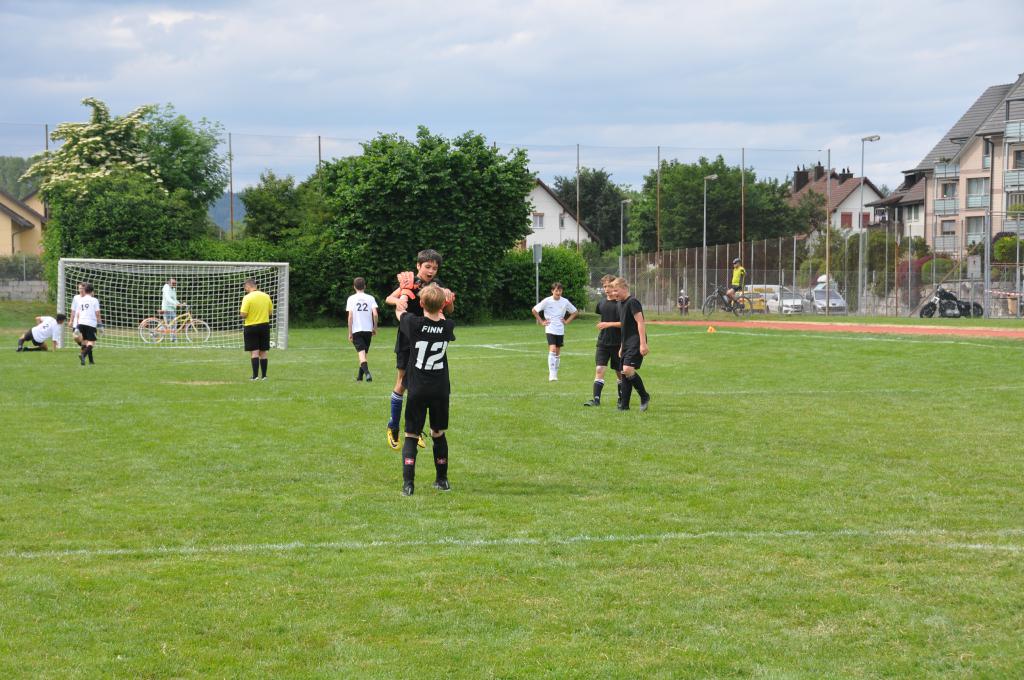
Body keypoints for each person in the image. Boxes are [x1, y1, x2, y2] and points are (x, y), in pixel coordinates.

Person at [384, 249, 454, 450]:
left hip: (426, 339)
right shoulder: (410, 282)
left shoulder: (437, 285)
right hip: (407, 339)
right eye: (427, 267)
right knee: (402, 382)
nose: (431, 271)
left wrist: (449, 300)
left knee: (421, 386)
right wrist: (399, 300)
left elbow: (448, 311)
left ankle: (415, 430)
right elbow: (389, 298)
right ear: (418, 266)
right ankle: (393, 426)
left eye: (435, 268)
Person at [395, 284, 456, 496]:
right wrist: (447, 300)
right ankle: (442, 480)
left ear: (421, 303)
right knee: (438, 433)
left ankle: (408, 485)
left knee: (411, 434)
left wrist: (404, 292)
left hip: (417, 388)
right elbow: (445, 315)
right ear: (442, 305)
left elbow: (399, 311)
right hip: (440, 388)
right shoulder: (448, 326)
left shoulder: (414, 323)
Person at [612, 277, 650, 411]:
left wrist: (643, 343)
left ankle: (644, 396)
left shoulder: (633, 302)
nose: (614, 294)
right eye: (613, 291)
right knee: (624, 373)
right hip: (626, 342)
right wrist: (622, 346)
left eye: (616, 290)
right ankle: (624, 406)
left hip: (636, 341)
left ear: (624, 288)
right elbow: (624, 326)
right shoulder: (619, 304)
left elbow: (640, 322)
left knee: (628, 369)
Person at [584, 275, 622, 407]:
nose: (606, 289)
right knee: (599, 369)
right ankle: (596, 400)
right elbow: (603, 317)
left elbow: (625, 323)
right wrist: (604, 324)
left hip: (618, 344)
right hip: (603, 342)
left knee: (620, 372)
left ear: (615, 286)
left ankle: (621, 398)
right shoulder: (601, 304)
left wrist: (608, 324)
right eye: (604, 286)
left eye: (609, 286)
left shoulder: (621, 304)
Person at [531, 281, 578, 381]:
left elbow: (575, 312)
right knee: (552, 350)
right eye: (556, 290)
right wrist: (541, 322)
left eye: (560, 290)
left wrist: (566, 321)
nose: (558, 292)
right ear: (552, 291)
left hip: (560, 329)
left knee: (557, 353)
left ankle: (555, 374)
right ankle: (551, 374)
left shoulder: (565, 301)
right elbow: (534, 310)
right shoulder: (547, 301)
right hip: (550, 328)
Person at [345, 276, 379, 382]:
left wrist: (350, 332)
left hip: (357, 330)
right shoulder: (370, 298)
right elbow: (375, 314)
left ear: (354, 287)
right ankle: (360, 377)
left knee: (361, 354)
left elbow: (350, 317)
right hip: (368, 330)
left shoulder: (351, 299)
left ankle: (367, 373)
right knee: (364, 354)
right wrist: (374, 327)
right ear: (365, 286)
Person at [240, 278, 273, 381]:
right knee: (263, 352)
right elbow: (270, 312)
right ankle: (264, 376)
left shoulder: (247, 297)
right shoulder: (266, 296)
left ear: (248, 286)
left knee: (254, 352)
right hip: (264, 326)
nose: (245, 289)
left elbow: (243, 314)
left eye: (245, 287)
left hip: (251, 326)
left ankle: (255, 376)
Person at [72, 283, 101, 366]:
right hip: (90, 323)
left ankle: (90, 361)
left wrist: (78, 325)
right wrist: (100, 325)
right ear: (92, 291)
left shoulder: (80, 300)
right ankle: (83, 355)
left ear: (85, 291)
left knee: (85, 342)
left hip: (81, 322)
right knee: (91, 342)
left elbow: (78, 314)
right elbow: (97, 313)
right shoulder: (94, 300)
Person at [69, 282, 86, 347]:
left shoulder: (88, 298)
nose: (81, 290)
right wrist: (71, 321)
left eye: (82, 288)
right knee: (75, 337)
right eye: (80, 288)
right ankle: (85, 346)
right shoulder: (76, 297)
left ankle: (85, 349)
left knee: (84, 337)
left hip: (85, 321)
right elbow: (73, 310)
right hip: (76, 322)